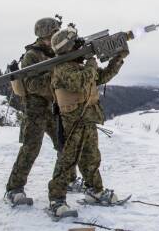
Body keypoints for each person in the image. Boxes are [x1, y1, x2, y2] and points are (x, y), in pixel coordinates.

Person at [47, 26, 128, 217]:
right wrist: (92, 61)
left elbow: (102, 76)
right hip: (73, 121)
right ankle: (56, 199)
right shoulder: (62, 68)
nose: (79, 45)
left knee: (91, 157)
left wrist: (118, 58)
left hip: (87, 118)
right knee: (67, 160)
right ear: (68, 47)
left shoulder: (78, 67)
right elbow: (80, 82)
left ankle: (95, 190)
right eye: (76, 43)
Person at [5, 17, 80, 205]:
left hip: (53, 106)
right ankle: (14, 189)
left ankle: (69, 179)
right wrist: (55, 77)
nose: (54, 36)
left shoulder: (56, 50)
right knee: (31, 147)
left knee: (64, 144)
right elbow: (31, 84)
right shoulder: (32, 56)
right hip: (36, 109)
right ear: (43, 35)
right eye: (52, 33)